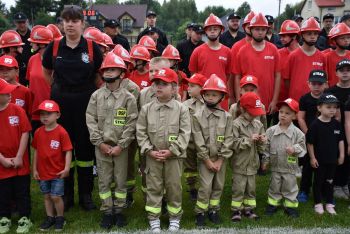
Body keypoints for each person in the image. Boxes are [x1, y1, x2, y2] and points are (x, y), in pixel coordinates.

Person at [42, 5, 104, 211]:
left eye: (74, 20)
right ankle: (66, 194)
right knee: (63, 149)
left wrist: (84, 91)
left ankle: (86, 194)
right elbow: (46, 71)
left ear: (82, 24)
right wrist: (58, 88)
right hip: (61, 103)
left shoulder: (91, 47)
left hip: (85, 103)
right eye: (66, 20)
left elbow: (98, 75)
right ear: (61, 23)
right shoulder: (55, 46)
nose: (70, 24)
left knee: (85, 151)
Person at [86, 52, 138, 229]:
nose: (108, 73)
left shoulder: (128, 98)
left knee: (121, 180)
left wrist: (122, 145)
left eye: (112, 69)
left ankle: (119, 211)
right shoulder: (96, 96)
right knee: (104, 180)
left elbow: (132, 123)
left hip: (120, 149)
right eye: (106, 70)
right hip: (101, 148)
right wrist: (99, 143)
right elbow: (90, 119)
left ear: (122, 73)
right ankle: (108, 211)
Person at [136, 68, 191, 232]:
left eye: (164, 84)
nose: (158, 87)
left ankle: (175, 217)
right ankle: (154, 218)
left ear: (174, 88)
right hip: (153, 158)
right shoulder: (146, 109)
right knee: (154, 187)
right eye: (156, 84)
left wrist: (172, 151)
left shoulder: (182, 109)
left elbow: (185, 133)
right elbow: (141, 132)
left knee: (174, 187)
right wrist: (149, 151)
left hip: (174, 158)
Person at [192, 74, 233, 227]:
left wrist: (221, 159)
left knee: (218, 186)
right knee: (205, 186)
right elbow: (198, 140)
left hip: (221, 160)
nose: (210, 97)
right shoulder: (197, 116)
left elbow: (229, 139)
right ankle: (200, 212)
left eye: (214, 95)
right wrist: (207, 160)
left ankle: (213, 210)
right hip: (206, 159)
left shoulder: (227, 117)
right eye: (207, 94)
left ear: (222, 96)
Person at [32, 100, 72, 231]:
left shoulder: (62, 132)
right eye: (42, 114)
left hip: (57, 172)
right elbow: (36, 151)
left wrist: (66, 168)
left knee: (56, 196)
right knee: (47, 196)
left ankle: (60, 217)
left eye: (48, 114)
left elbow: (68, 151)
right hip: (43, 172)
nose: (44, 117)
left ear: (57, 115)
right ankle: (50, 217)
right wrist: (34, 169)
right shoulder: (38, 132)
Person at [262, 98, 306, 218]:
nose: (283, 115)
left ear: (294, 116)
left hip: (290, 168)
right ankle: (273, 204)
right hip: (275, 166)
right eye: (281, 112)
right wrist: (265, 161)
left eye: (287, 113)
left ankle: (290, 206)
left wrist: (294, 149)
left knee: (290, 187)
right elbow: (266, 148)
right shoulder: (270, 131)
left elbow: (303, 147)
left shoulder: (298, 133)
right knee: (274, 186)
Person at [233, 13, 281, 121]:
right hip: (247, 102)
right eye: (257, 29)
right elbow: (237, 76)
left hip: (267, 102)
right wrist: (238, 99)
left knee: (265, 134)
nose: (260, 32)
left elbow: (278, 76)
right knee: (247, 134)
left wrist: (274, 101)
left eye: (263, 29)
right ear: (250, 30)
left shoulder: (273, 50)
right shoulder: (242, 51)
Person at [0, 79, 32, 234]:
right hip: (2, 163)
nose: (10, 94)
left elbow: (25, 132)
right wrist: (2, 160)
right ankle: (4, 218)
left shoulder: (18, 110)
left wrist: (19, 156)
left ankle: (25, 217)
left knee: (22, 191)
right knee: (3, 191)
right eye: (6, 92)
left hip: (21, 161)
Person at [231, 92, 266, 221]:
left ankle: (249, 209)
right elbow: (233, 143)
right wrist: (248, 140)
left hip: (252, 163)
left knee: (251, 188)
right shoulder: (236, 124)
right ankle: (236, 211)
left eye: (256, 113)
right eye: (251, 113)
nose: (254, 116)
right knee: (238, 188)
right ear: (242, 109)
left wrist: (263, 141)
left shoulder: (258, 125)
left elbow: (262, 147)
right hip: (239, 163)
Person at [307, 93, 344, 215]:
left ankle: (329, 203)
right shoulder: (315, 125)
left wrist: (342, 155)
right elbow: (310, 143)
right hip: (319, 160)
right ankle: (318, 203)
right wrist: (312, 158)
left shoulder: (336, 124)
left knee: (330, 181)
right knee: (318, 181)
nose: (332, 110)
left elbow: (340, 140)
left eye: (334, 107)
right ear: (319, 108)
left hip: (332, 160)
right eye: (328, 107)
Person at [297, 70, 328, 203]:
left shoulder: (329, 98)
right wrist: (308, 133)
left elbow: (336, 117)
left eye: (320, 84)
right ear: (308, 84)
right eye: (313, 83)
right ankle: (304, 189)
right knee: (307, 166)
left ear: (326, 84)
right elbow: (301, 117)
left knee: (323, 165)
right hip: (309, 137)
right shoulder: (305, 99)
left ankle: (322, 190)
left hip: (324, 139)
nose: (316, 87)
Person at [189, 13, 231, 110]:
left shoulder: (227, 51)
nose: (212, 31)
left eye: (215, 29)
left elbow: (228, 75)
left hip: (221, 96)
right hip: (202, 96)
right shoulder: (197, 51)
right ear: (205, 31)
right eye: (209, 29)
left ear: (221, 30)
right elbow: (193, 75)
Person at [283, 17, 325, 103]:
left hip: (316, 102)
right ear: (302, 35)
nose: (313, 36)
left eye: (315, 33)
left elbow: (325, 80)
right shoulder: (293, 55)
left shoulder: (322, 56)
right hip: (295, 100)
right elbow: (286, 80)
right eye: (309, 34)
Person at [326, 59, 350, 200]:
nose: (345, 73)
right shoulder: (331, 91)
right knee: (337, 157)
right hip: (335, 130)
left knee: (347, 157)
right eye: (342, 70)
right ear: (336, 73)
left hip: (349, 129)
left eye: (348, 70)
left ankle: (345, 183)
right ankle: (335, 185)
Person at [182, 73, 206, 201]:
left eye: (192, 86)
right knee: (189, 166)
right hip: (190, 142)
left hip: (205, 142)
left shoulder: (208, 104)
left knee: (205, 165)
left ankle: (205, 187)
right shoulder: (185, 105)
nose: (188, 88)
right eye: (188, 85)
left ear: (202, 88)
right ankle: (192, 188)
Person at [26, 26, 54, 133]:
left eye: (33, 42)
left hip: (51, 111)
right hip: (35, 111)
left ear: (42, 44)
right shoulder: (32, 59)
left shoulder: (55, 61)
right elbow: (30, 83)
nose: (31, 44)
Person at [230, 11, 256, 102]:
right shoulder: (237, 47)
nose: (251, 29)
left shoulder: (270, 47)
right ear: (244, 27)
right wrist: (232, 96)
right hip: (242, 95)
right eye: (248, 26)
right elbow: (232, 75)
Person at [278, 20, 300, 103]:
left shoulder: (304, 53)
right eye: (281, 36)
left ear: (294, 36)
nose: (281, 39)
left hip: (297, 100)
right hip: (281, 101)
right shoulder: (278, 53)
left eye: (284, 36)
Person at [325, 23, 350, 87]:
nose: (346, 40)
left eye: (348, 37)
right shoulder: (327, 57)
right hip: (332, 92)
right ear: (334, 40)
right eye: (342, 38)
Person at [13, 12, 32, 86]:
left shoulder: (33, 36)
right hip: (17, 73)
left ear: (27, 21)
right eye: (19, 22)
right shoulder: (12, 38)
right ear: (15, 23)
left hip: (31, 71)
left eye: (23, 22)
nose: (22, 25)